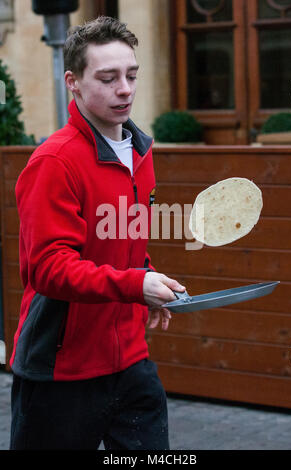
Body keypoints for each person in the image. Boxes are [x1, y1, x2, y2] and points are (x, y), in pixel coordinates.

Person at [9, 16, 186, 450]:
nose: (124, 89)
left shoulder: (140, 152)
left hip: (131, 361)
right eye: (107, 78)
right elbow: (48, 270)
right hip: (60, 369)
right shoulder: (54, 161)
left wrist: (148, 280)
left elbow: (123, 245)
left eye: (131, 75)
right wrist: (133, 285)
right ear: (73, 81)